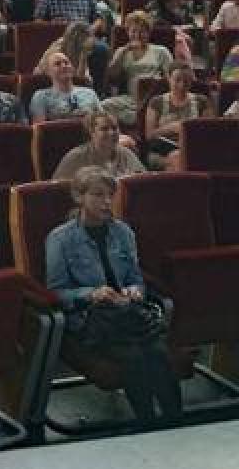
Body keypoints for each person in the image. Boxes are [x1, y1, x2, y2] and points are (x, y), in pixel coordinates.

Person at [45, 167, 182, 429]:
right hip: (91, 319)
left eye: (110, 195)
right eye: (98, 195)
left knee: (158, 352)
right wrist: (91, 294)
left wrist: (134, 291)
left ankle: (175, 424)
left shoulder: (123, 232)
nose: (107, 202)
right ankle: (149, 424)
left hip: (127, 314)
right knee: (133, 356)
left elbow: (136, 278)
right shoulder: (60, 239)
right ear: (79, 197)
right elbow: (56, 292)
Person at [34, 0, 112, 86]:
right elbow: (37, 21)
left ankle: (98, 90)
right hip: (60, 37)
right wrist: (51, 24)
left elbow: (99, 19)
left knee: (102, 49)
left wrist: (91, 29)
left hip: (84, 36)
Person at [101, 11, 173, 126]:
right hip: (131, 99)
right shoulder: (121, 51)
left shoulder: (161, 51)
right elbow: (112, 78)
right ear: (128, 32)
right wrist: (122, 53)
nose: (137, 35)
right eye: (133, 31)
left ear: (148, 33)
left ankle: (144, 117)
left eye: (142, 31)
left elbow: (171, 76)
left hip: (154, 97)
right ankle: (143, 118)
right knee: (104, 106)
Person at [145, 62, 213, 170]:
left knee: (178, 159)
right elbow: (149, 135)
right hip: (161, 152)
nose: (182, 85)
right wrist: (172, 128)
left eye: (186, 81)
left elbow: (210, 131)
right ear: (169, 78)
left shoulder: (202, 101)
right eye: (177, 80)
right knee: (176, 159)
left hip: (194, 150)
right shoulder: (156, 102)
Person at [53, 111, 145, 180]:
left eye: (114, 128)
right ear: (92, 132)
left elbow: (142, 180)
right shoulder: (76, 156)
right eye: (104, 129)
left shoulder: (126, 153)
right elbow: (58, 190)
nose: (111, 133)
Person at [30, 52, 104, 123]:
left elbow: (103, 120)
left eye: (66, 63)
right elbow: (39, 129)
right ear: (48, 72)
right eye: (57, 64)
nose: (64, 66)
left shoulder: (89, 93)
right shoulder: (40, 96)